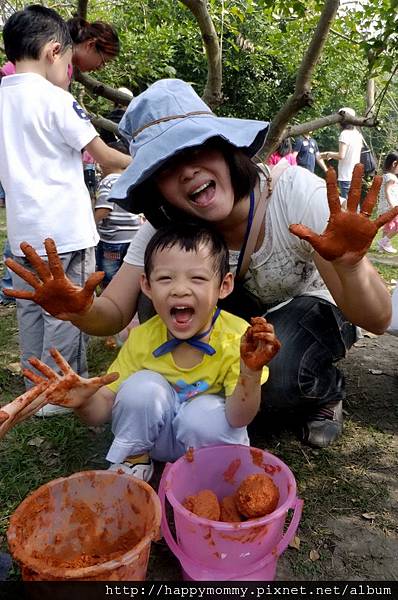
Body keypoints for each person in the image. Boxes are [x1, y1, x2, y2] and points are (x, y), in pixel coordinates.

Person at [4, 79, 397, 448]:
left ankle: (325, 392)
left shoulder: (294, 194)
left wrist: (349, 265)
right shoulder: (168, 228)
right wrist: (79, 309)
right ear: (154, 187)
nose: (187, 170)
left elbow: (378, 319)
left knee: (275, 372)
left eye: (195, 149)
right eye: (165, 166)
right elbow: (114, 313)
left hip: (317, 308)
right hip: (244, 319)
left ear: (227, 149)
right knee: (155, 293)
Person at [7, 224, 280, 482]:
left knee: (202, 413)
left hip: (205, 440)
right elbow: (102, 409)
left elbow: (239, 418)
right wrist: (84, 401)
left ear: (224, 285)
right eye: (165, 278)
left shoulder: (239, 339)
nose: (180, 289)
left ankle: (209, 471)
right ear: (147, 286)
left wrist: (250, 372)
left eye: (197, 278)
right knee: (141, 387)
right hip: (154, 441)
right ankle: (134, 460)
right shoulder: (142, 339)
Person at [0, 5, 130, 415]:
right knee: (67, 309)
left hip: (24, 230)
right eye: (70, 60)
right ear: (54, 51)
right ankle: (59, 395)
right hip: (65, 231)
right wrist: (148, 162)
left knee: (32, 307)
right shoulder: (57, 101)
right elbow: (106, 158)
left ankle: (34, 388)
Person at [0, 13, 119, 81]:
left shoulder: (64, 63)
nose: (101, 67)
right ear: (90, 45)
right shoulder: (60, 64)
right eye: (104, 61)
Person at [95, 140, 144, 289]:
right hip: (133, 237)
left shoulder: (107, 182)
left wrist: (91, 223)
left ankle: (110, 298)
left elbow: (104, 209)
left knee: (110, 276)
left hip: (113, 240)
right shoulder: (131, 181)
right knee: (129, 272)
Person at [320, 107, 362, 199]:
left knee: (347, 206)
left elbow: (341, 155)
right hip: (356, 175)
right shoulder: (358, 134)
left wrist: (328, 154)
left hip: (346, 176)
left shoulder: (344, 134)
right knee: (354, 204)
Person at [376, 152, 398, 254]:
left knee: (387, 227)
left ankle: (381, 247)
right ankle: (384, 242)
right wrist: (393, 205)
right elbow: (388, 191)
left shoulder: (385, 176)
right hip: (391, 207)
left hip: (384, 207)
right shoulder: (392, 177)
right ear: (394, 164)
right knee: (396, 226)